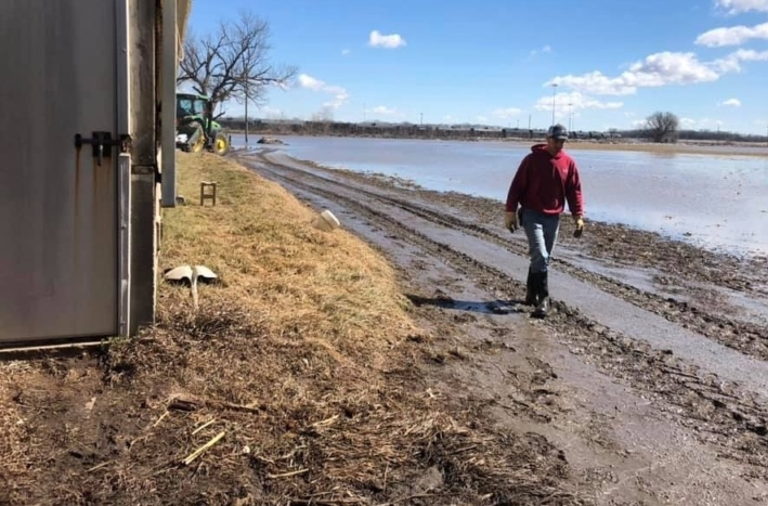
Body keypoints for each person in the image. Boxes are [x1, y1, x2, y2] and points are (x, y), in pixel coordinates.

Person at [504, 124, 585, 317]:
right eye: (556, 140)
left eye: (562, 141)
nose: (559, 144)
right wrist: (510, 211)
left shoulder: (568, 163)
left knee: (543, 258)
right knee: (540, 254)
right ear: (548, 139)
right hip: (532, 214)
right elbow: (517, 186)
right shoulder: (532, 160)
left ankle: (531, 294)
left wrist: (578, 216)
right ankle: (543, 299)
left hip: (553, 217)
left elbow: (574, 190)